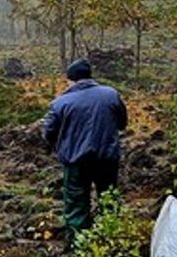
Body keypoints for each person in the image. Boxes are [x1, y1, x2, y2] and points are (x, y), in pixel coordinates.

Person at [42, 58, 128, 247]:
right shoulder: (111, 94)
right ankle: (110, 239)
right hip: (107, 157)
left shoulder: (60, 102)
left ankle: (80, 245)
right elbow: (122, 123)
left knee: (76, 202)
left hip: (76, 160)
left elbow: (48, 132)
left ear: (70, 79)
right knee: (109, 197)